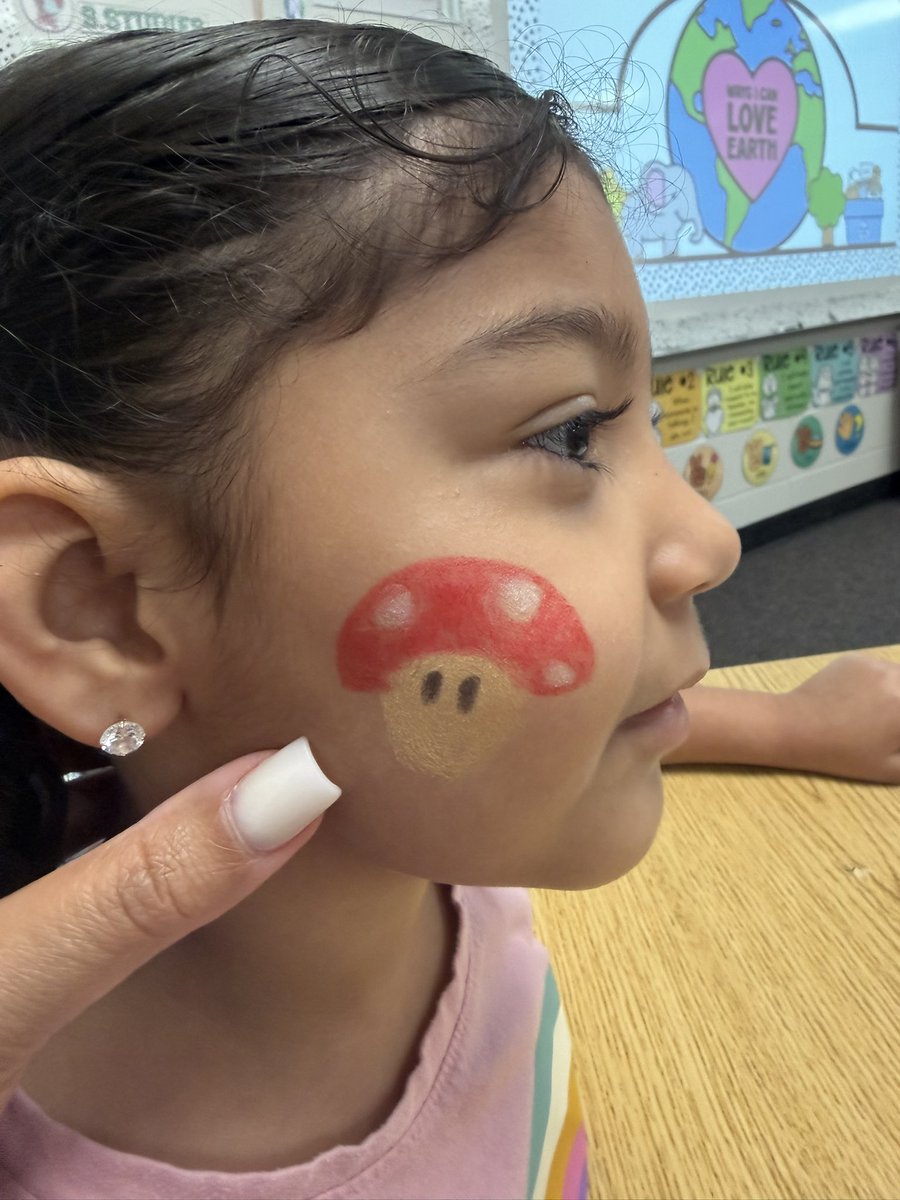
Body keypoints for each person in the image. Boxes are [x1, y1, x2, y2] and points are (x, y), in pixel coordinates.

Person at [0, 20, 897, 1199]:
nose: (710, 540)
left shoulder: (425, 811)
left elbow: (478, 698)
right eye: (571, 433)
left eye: (648, 418)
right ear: (105, 607)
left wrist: (789, 726)